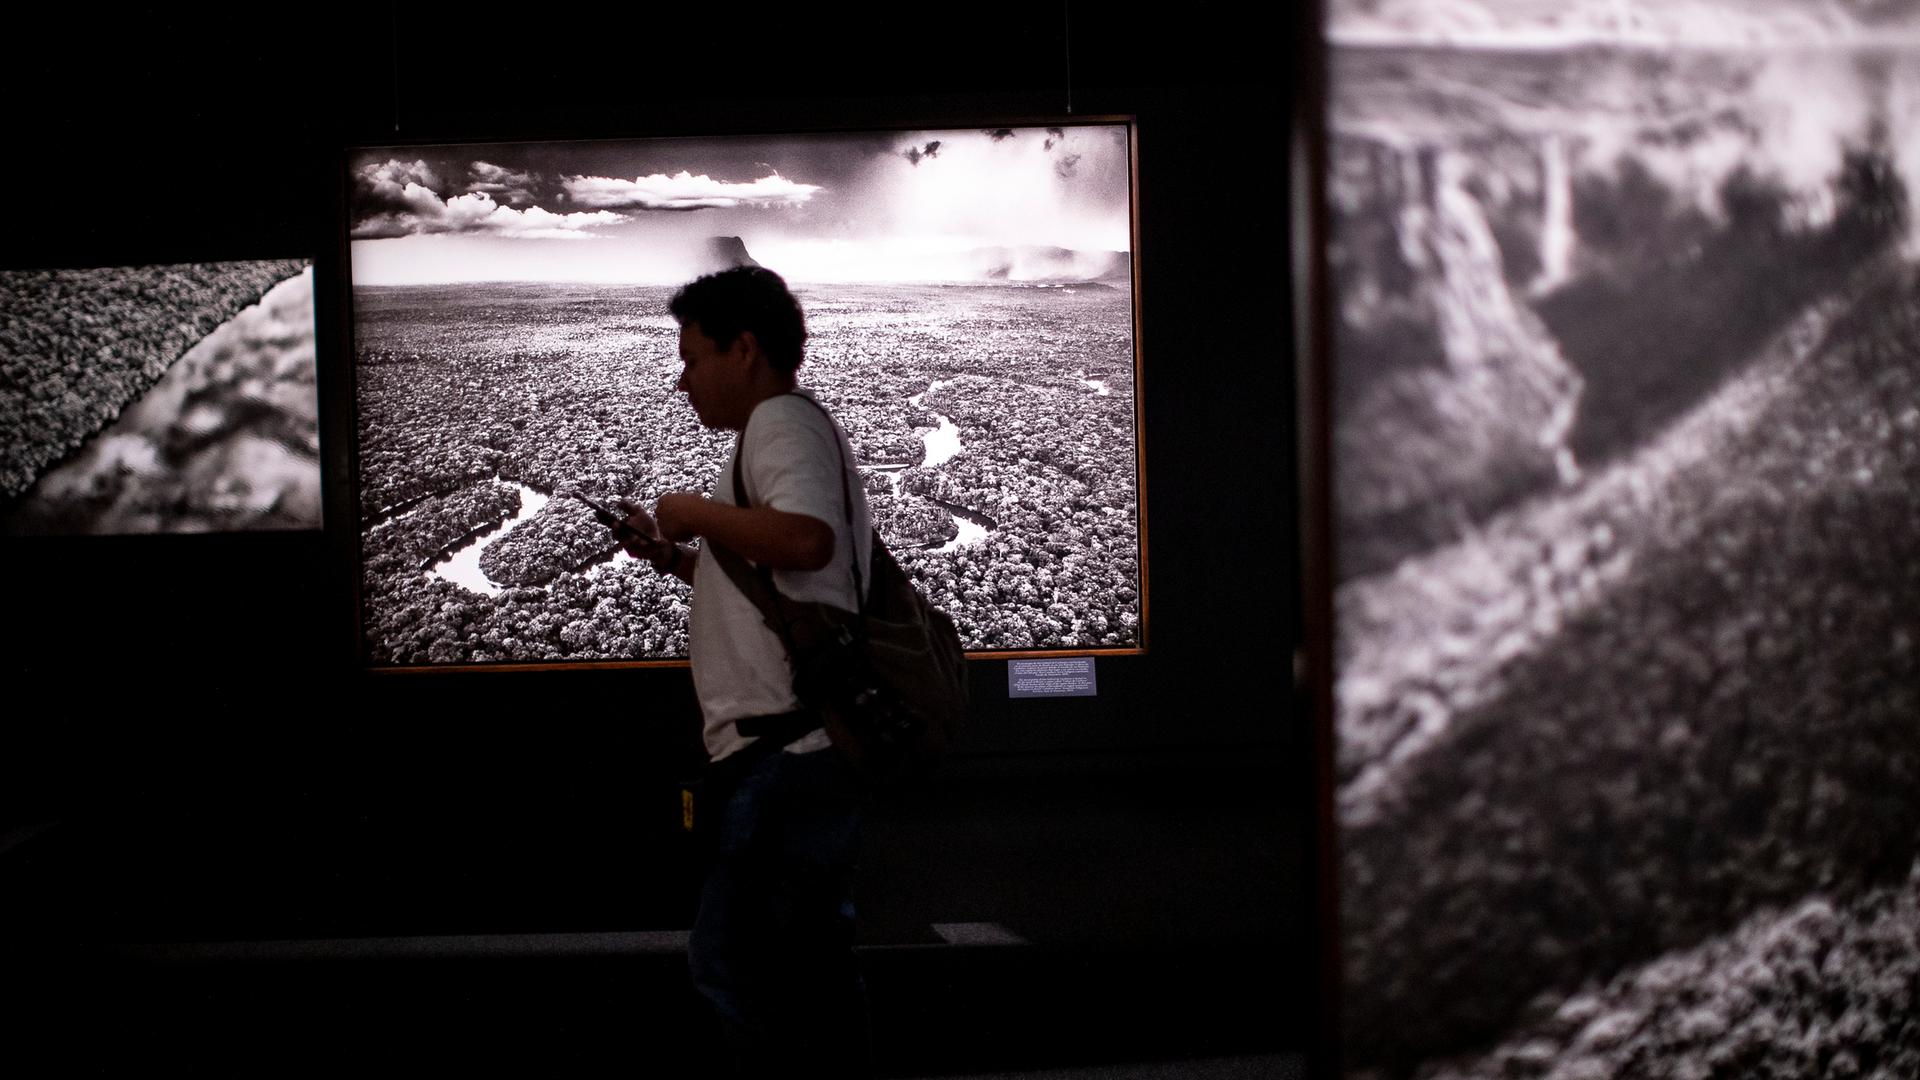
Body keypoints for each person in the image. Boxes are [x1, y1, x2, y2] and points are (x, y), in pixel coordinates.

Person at [618, 266, 873, 1078]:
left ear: (745, 349)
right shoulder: (782, 427)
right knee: (807, 963)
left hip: (784, 757)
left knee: (735, 962)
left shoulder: (779, 422)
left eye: (692, 357)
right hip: (794, 754)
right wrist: (672, 556)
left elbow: (806, 541)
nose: (682, 379)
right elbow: (771, 582)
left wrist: (690, 510)